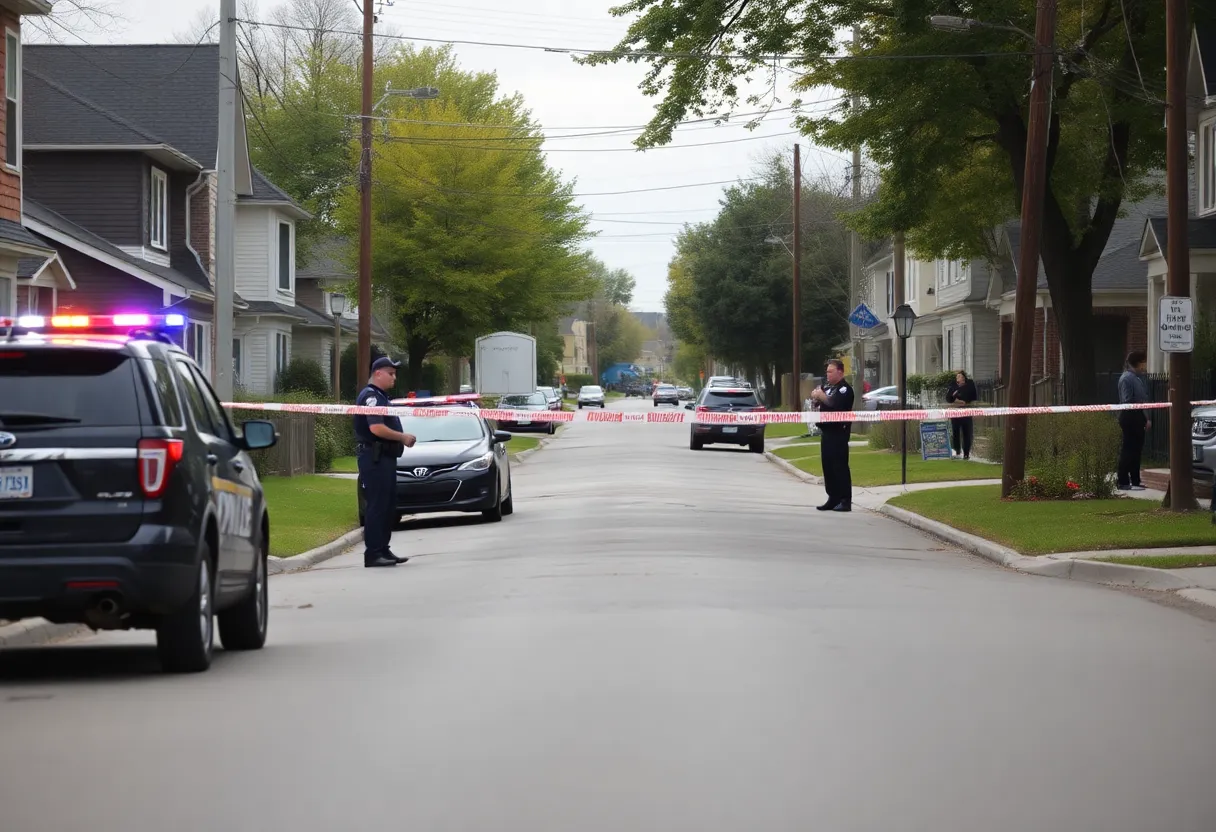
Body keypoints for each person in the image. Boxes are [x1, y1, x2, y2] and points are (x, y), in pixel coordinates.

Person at [354, 357, 417, 567]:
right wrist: (402, 437)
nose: (394, 377)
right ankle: (373, 553)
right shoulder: (371, 397)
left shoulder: (381, 396)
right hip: (375, 458)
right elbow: (376, 428)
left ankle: (383, 549)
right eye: (391, 373)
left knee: (388, 505)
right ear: (378, 373)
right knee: (377, 505)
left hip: (384, 458)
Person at [811, 359, 855, 512]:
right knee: (828, 466)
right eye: (827, 372)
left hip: (839, 433)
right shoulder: (829, 388)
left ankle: (845, 500)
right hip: (827, 432)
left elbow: (835, 406)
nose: (827, 374)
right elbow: (821, 404)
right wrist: (816, 398)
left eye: (831, 371)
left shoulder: (844, 389)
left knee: (839, 466)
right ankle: (833, 497)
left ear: (840, 372)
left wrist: (822, 397)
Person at [1117, 350, 1151, 491]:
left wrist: (1146, 418)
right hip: (1130, 416)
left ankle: (1135, 480)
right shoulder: (1127, 378)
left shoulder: (1137, 378)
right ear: (1138, 363)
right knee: (1129, 449)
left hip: (1138, 417)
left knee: (1136, 450)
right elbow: (1127, 400)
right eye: (1143, 362)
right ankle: (1123, 480)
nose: (1145, 366)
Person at [946, 370, 978, 460]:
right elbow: (948, 398)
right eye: (957, 377)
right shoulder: (953, 385)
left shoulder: (970, 384)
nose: (957, 378)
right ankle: (957, 451)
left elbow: (973, 398)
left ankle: (966, 453)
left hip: (966, 412)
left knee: (967, 433)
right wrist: (958, 401)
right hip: (955, 412)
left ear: (963, 377)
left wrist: (968, 404)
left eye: (959, 376)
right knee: (955, 432)